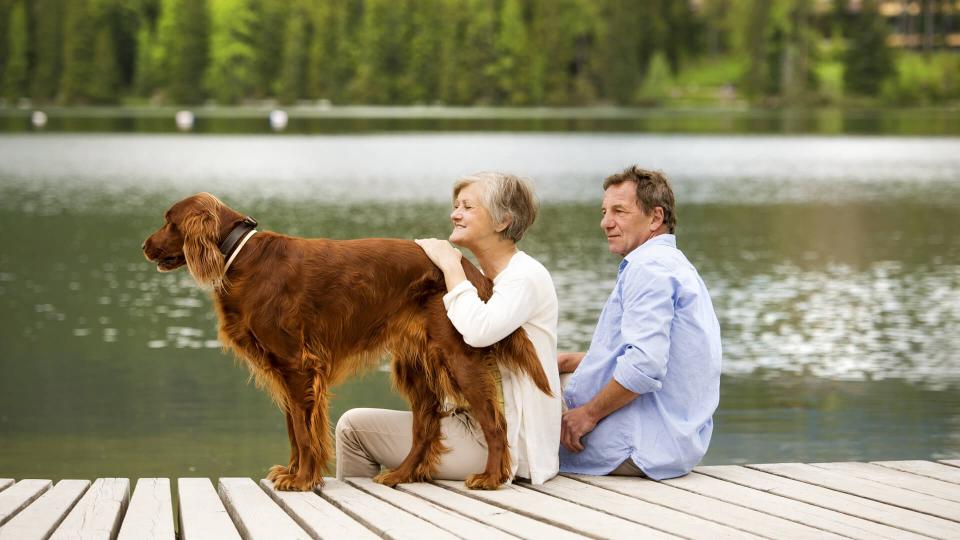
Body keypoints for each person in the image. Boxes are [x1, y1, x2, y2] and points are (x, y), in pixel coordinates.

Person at [335, 171, 562, 484]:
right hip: (470, 424)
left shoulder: (525, 276)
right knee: (356, 422)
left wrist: (451, 265)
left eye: (468, 207)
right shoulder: (483, 277)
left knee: (353, 429)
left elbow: (479, 329)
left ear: (502, 221)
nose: (455, 214)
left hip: (508, 443)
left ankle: (352, 520)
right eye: (456, 206)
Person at [558, 165, 721, 480]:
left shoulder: (647, 268)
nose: (606, 222)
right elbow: (666, 356)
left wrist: (587, 416)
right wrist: (573, 360)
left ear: (655, 218)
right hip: (677, 442)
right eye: (605, 211)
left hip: (640, 446)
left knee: (515, 423)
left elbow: (645, 365)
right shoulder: (674, 265)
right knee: (552, 374)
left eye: (619, 211)